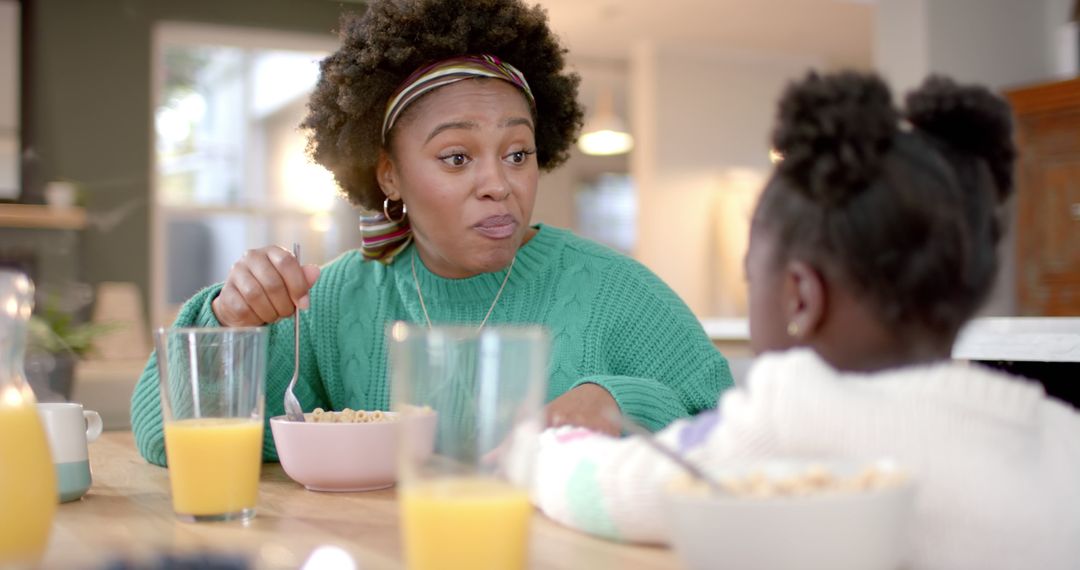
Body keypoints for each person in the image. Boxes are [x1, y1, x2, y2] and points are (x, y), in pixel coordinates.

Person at [130, 0, 733, 466]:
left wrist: (624, 405)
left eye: (518, 153)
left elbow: (736, 431)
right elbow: (168, 439)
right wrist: (226, 324)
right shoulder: (333, 298)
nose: (499, 183)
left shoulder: (617, 291)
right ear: (389, 173)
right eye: (456, 157)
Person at [526, 71, 1080, 570]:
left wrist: (539, 449)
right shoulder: (1062, 434)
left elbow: (610, 490)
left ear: (799, 298)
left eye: (752, 277)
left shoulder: (792, 419)